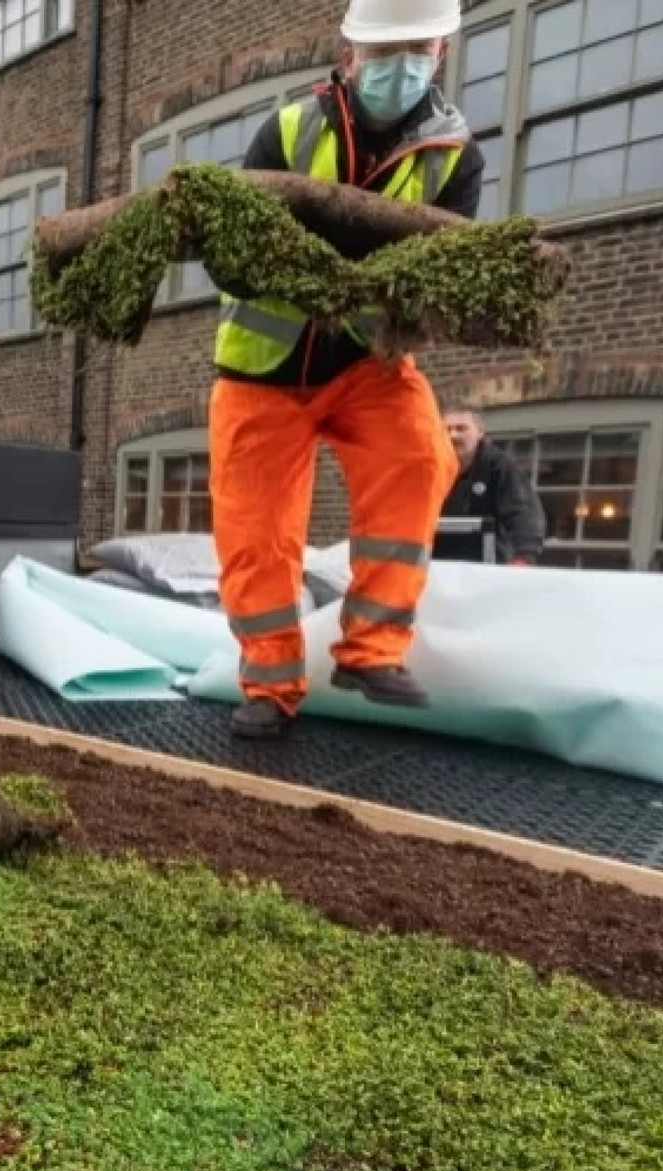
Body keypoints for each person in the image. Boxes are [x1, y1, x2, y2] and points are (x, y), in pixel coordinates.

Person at [204, 0, 482, 740]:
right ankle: (269, 684)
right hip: (263, 368)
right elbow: (230, 259)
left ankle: (371, 650)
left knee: (421, 456)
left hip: (369, 360)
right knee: (255, 528)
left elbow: (443, 284)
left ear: (441, 51)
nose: (398, 69)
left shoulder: (455, 157)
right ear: (349, 55)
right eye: (381, 54)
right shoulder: (290, 131)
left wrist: (391, 301)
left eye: (414, 51)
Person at [440, 408, 545, 565]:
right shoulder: (427, 468)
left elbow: (523, 514)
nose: (452, 435)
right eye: (446, 429)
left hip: (486, 564)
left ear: (480, 432)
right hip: (436, 566)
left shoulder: (500, 468)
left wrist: (523, 557)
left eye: (461, 428)